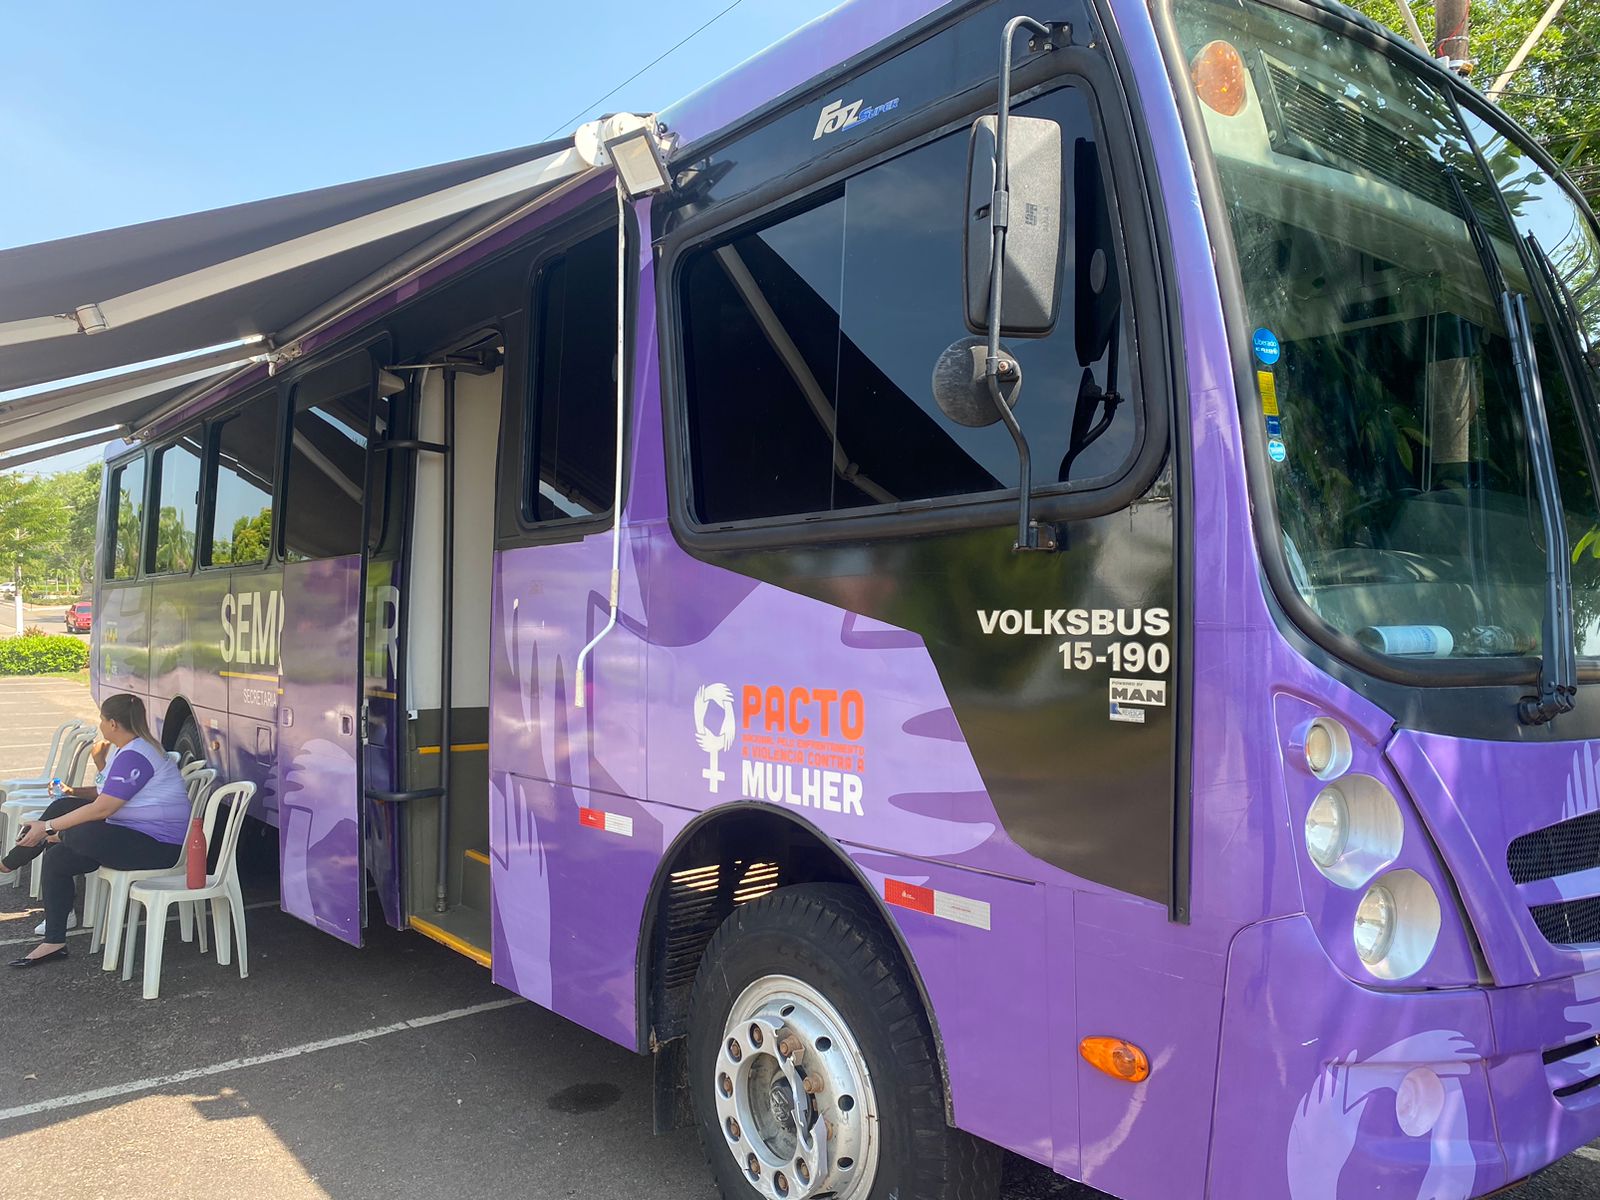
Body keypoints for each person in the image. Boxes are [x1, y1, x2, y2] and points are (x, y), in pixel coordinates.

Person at [2, 693, 191, 968]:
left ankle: (17, 859)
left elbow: (103, 809)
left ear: (113, 723)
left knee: (77, 832)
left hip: (160, 847)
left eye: (102, 719)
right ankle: (54, 940)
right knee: (60, 843)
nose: (100, 724)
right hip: (130, 834)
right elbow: (107, 793)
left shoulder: (137, 755)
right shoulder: (126, 749)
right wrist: (62, 811)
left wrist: (50, 828)